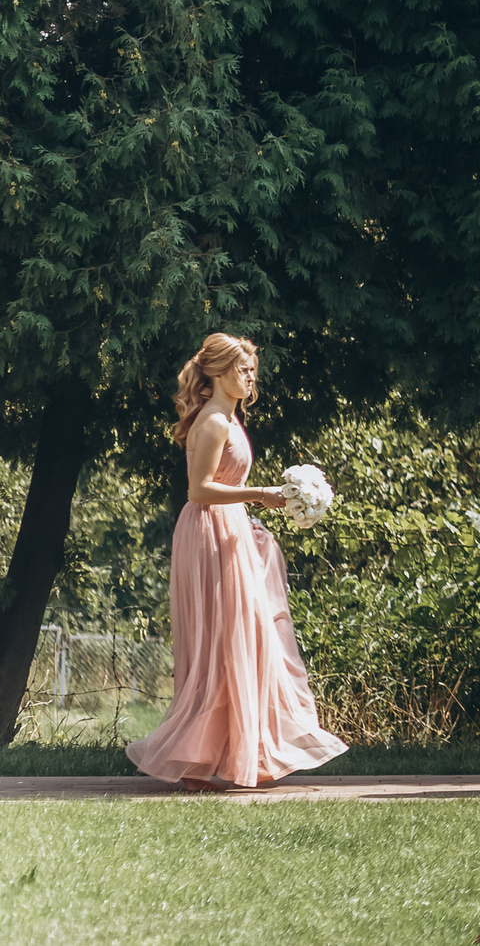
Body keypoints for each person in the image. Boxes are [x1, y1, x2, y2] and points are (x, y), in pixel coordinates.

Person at [125, 333, 348, 789]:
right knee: (222, 642)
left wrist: (251, 517)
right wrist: (260, 495)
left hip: (228, 528)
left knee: (243, 640)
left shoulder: (228, 418)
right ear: (218, 372)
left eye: (252, 372)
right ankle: (199, 760)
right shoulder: (213, 422)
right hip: (209, 533)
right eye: (243, 371)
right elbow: (199, 490)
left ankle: (238, 753)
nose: (250, 379)